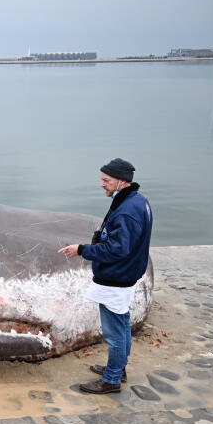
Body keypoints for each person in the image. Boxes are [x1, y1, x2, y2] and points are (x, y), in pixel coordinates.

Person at [58, 158, 153, 394]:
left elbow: (117, 249)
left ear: (121, 181)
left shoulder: (128, 211)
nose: (102, 184)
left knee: (115, 332)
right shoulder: (136, 201)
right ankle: (118, 369)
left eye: (106, 180)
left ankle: (111, 380)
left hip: (116, 280)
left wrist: (81, 249)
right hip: (124, 276)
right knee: (121, 326)